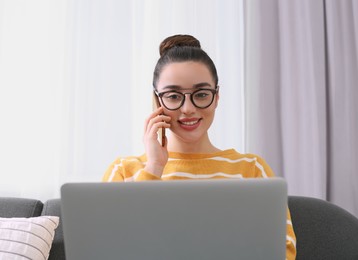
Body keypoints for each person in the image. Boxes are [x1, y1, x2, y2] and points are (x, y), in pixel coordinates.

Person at [102, 34, 297, 259]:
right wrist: (153, 167)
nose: (188, 109)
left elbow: (283, 251)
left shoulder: (251, 169)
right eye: (174, 96)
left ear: (216, 97)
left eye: (201, 94)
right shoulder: (124, 171)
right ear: (157, 101)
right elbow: (110, 248)